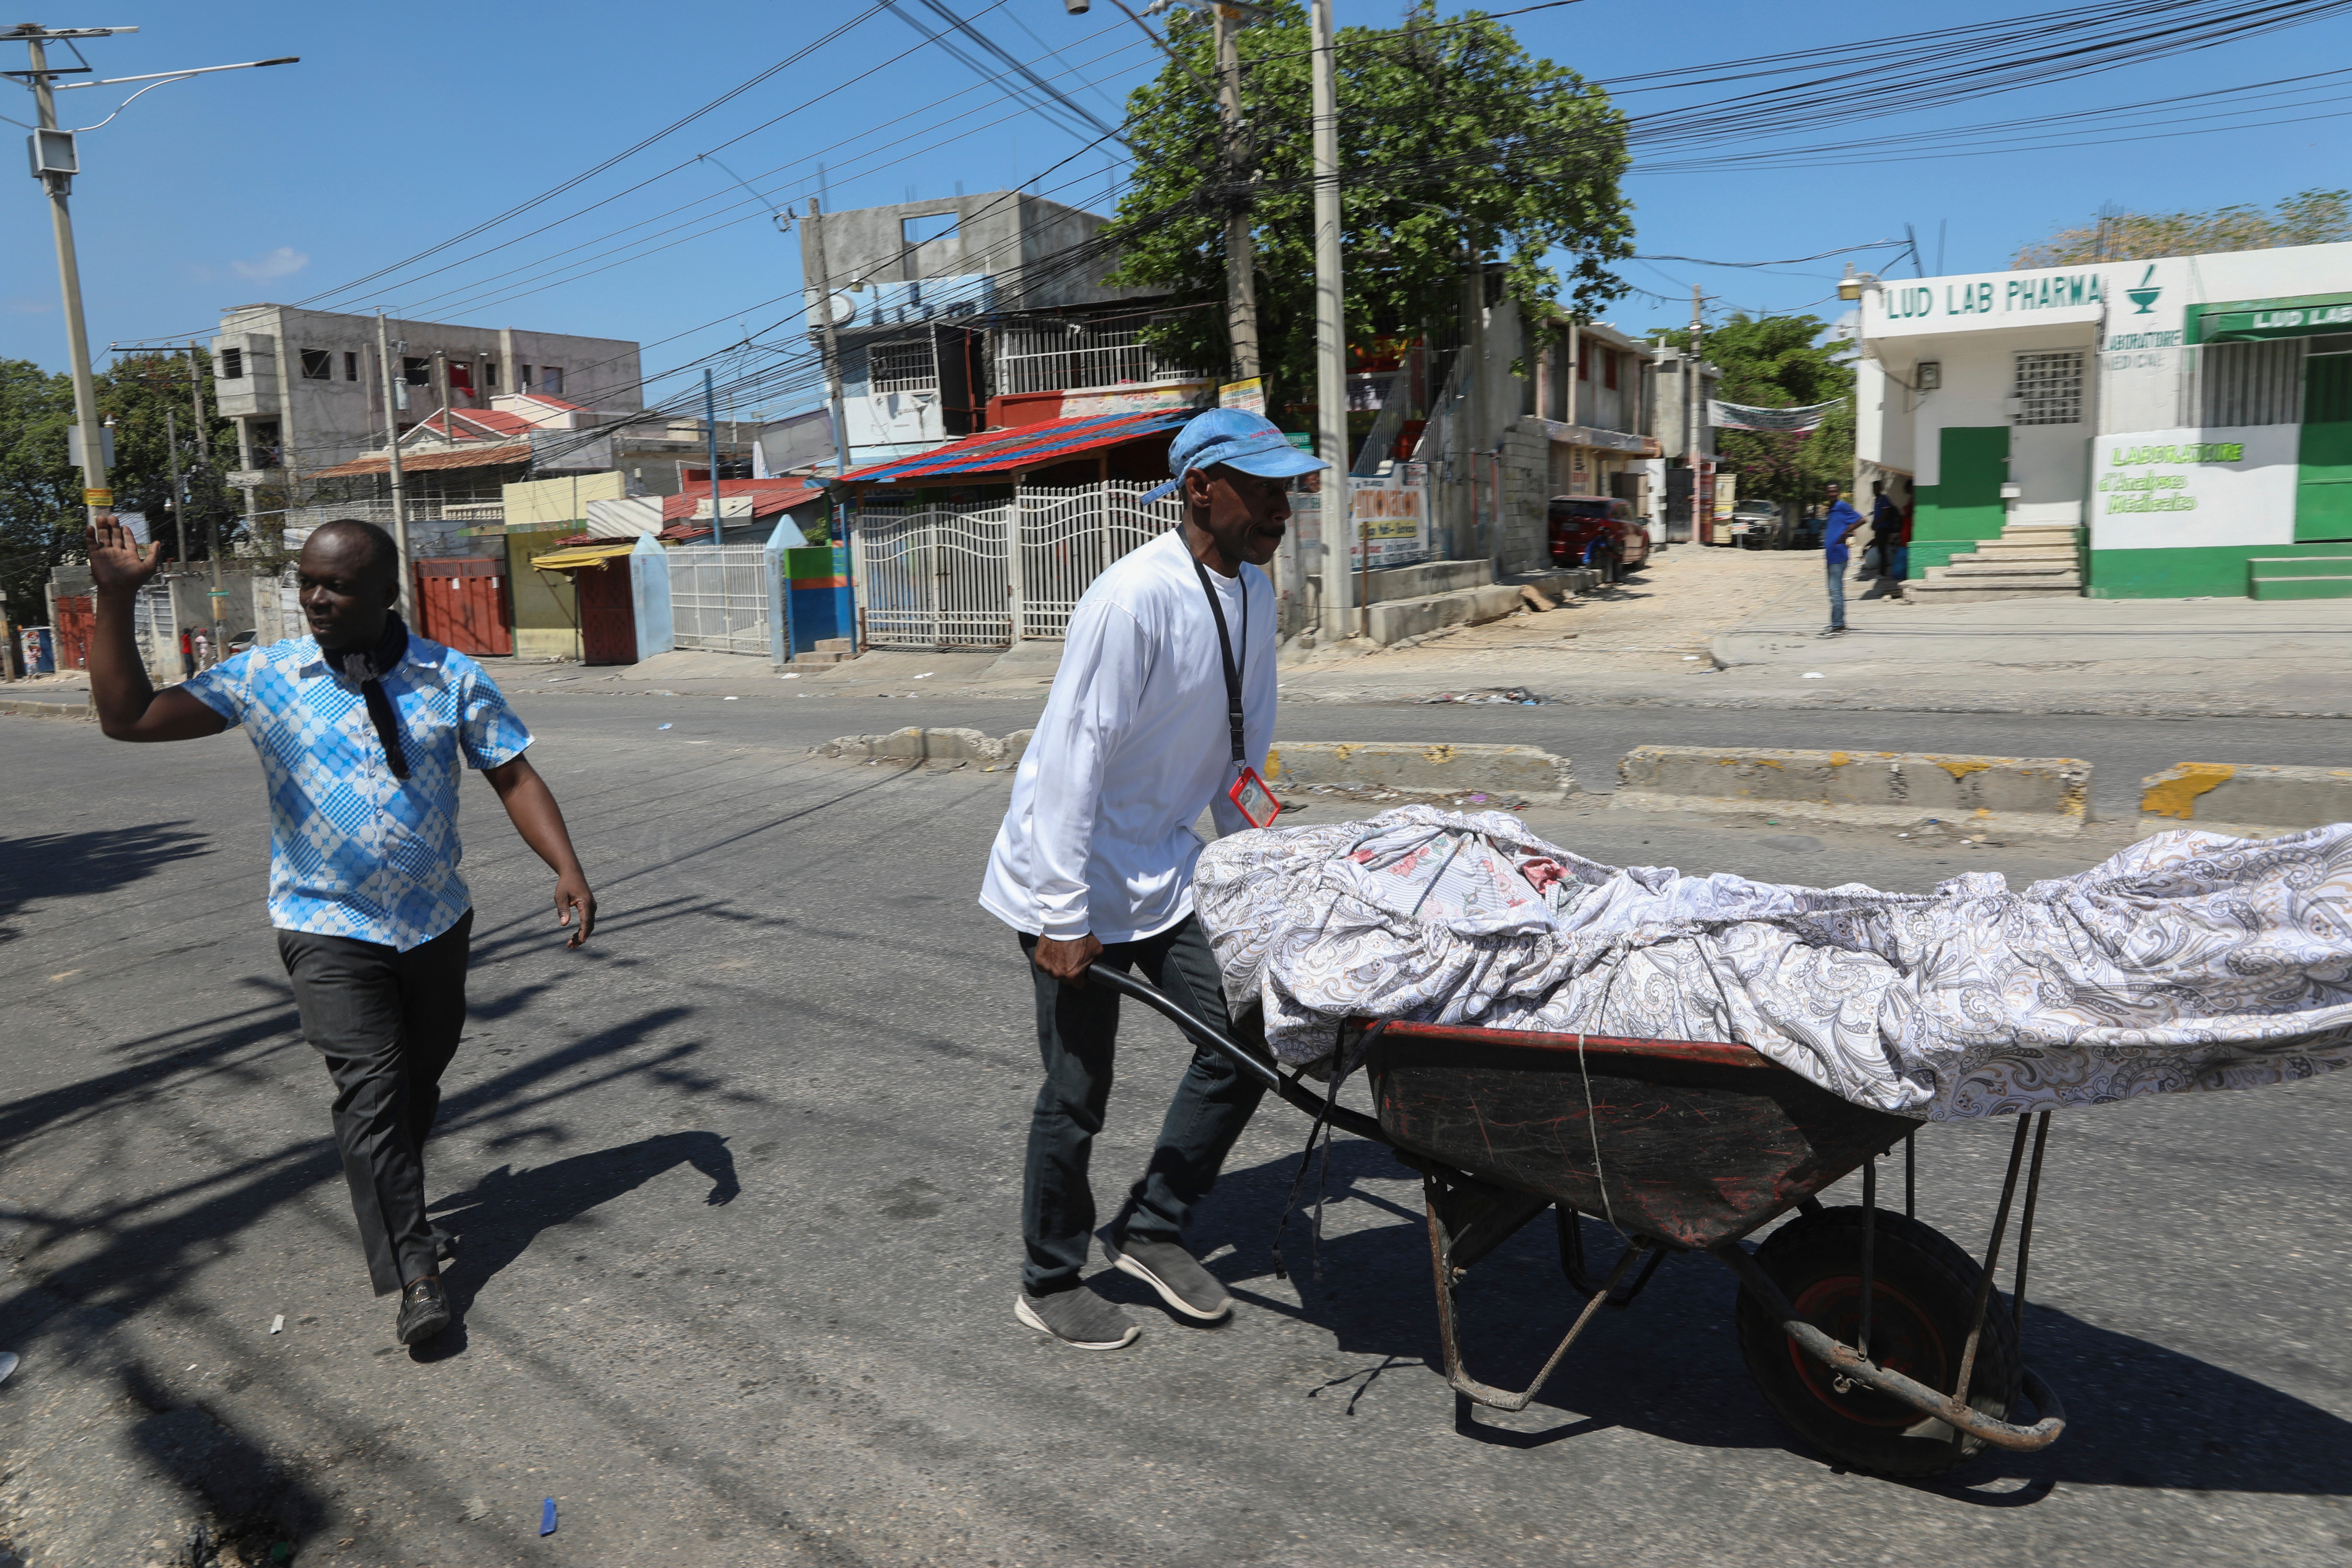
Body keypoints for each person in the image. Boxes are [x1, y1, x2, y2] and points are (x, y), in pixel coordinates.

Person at [83, 516, 597, 1347]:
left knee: (416, 1086)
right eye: (307, 582)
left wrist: (565, 867)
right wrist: (114, 599)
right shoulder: (267, 677)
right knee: (372, 1093)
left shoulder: (448, 677)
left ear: (387, 592)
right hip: (324, 925)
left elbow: (511, 772)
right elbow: (128, 717)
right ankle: (417, 1274)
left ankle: (403, 1203)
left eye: (337, 585)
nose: (316, 599)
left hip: (435, 921)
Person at [980, 407, 1326, 1351]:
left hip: (1165, 869)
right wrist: (1060, 916)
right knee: (1078, 1091)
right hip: (1072, 875)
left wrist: (1266, 866)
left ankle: (1152, 1224)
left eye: (1289, 491)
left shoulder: (1253, 594)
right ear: (1200, 489)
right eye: (1264, 491)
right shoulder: (1132, 598)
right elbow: (1068, 763)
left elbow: (1238, 758)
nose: (1282, 510)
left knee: (1246, 1033)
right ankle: (1048, 1279)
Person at [1820, 483, 1864, 635]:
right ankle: (1837, 623)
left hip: (1839, 555)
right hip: (1831, 556)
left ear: (1838, 492)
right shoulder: (1832, 509)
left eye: (1834, 491)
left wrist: (1845, 533)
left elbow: (1862, 520)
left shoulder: (1842, 506)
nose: (1832, 494)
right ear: (1827, 493)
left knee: (1836, 591)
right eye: (1829, 491)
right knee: (1834, 592)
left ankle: (1838, 626)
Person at [1858, 479, 1905, 600]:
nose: (1875, 491)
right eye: (1874, 488)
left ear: (1880, 488)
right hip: (1879, 529)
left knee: (1883, 551)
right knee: (1880, 550)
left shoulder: (1884, 499)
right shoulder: (1877, 501)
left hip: (1884, 529)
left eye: (1877, 488)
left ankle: (1883, 573)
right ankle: (1882, 572)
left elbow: (1886, 513)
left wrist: (1876, 522)